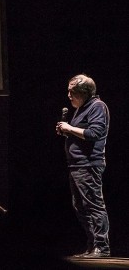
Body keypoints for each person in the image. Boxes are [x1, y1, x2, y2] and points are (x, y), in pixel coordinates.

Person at [56, 74, 111, 258]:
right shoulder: (82, 108)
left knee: (93, 205)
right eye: (68, 91)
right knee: (80, 206)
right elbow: (82, 135)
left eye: (73, 92)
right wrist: (68, 133)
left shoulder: (97, 107)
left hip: (88, 164)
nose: (69, 96)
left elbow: (94, 133)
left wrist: (70, 128)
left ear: (85, 92)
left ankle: (101, 247)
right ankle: (92, 245)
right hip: (77, 165)